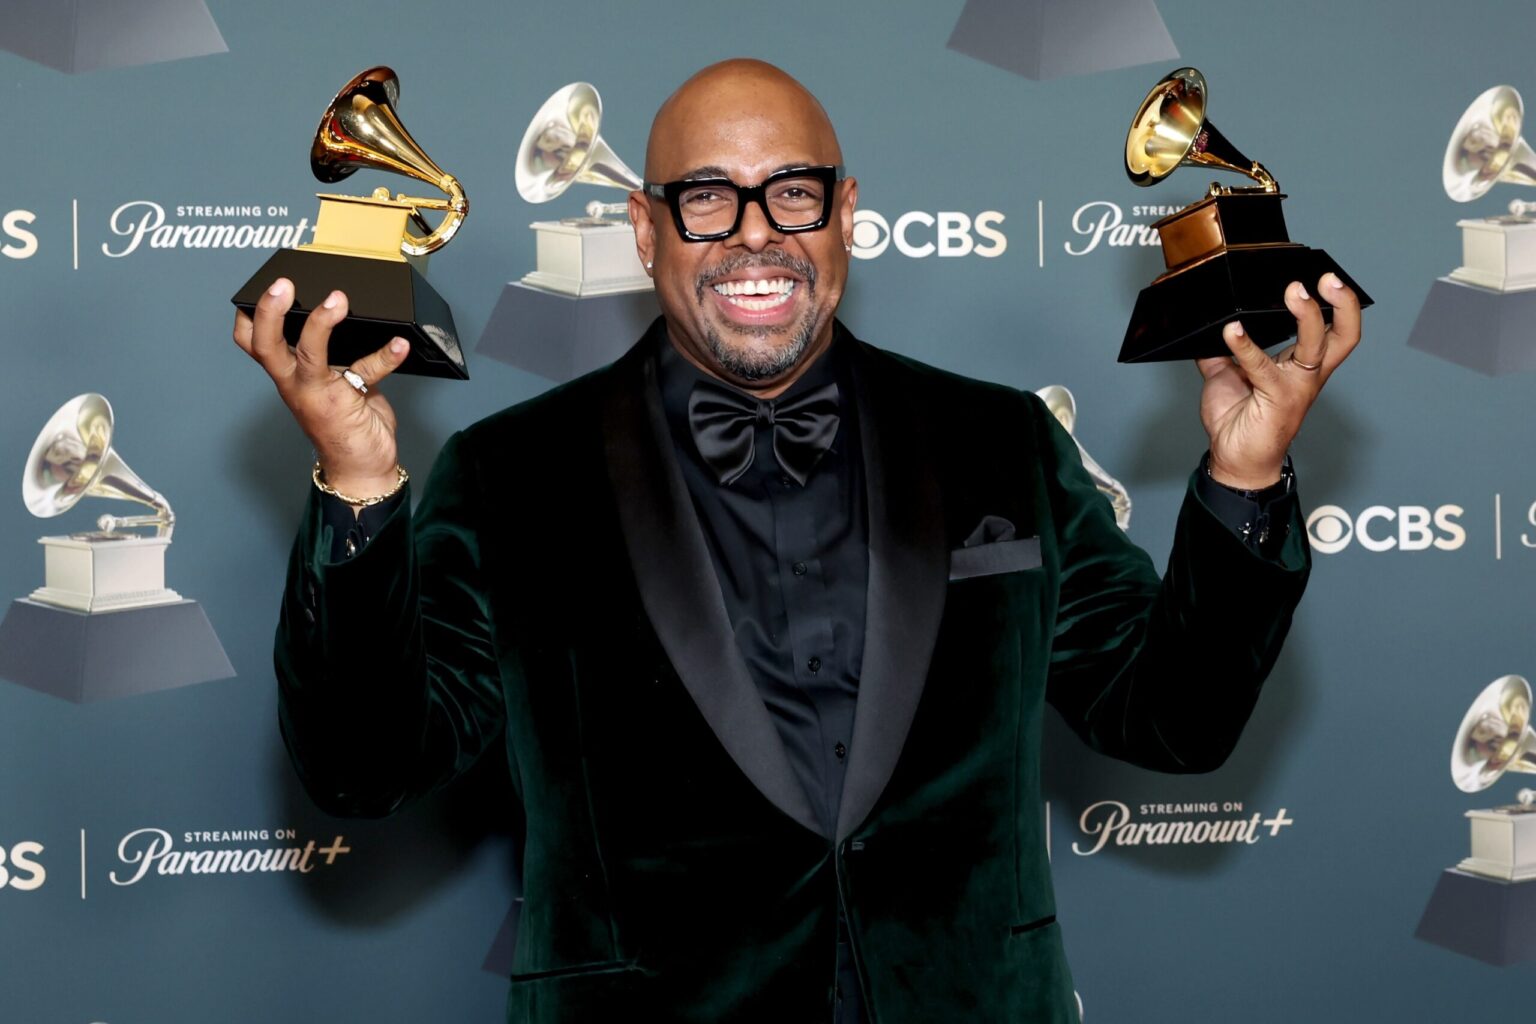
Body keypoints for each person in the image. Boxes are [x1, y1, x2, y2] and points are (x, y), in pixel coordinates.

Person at [232, 59, 1360, 1024]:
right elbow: (364, 768)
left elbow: (1172, 721)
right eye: (707, 198)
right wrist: (360, 483)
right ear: (643, 230)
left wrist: (1244, 475)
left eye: (792, 192)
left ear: (846, 210)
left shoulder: (1001, 441)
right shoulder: (510, 474)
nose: (756, 234)